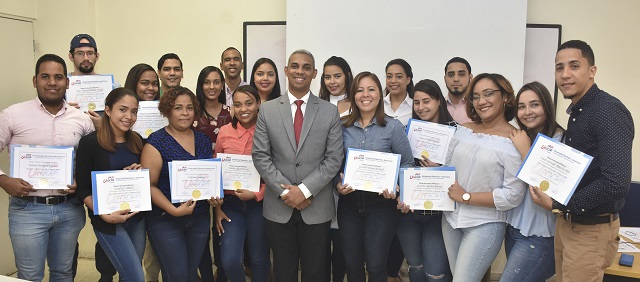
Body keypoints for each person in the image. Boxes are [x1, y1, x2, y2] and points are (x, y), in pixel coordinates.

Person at [529, 40, 634, 282]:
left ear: (592, 71)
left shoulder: (608, 111)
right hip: (568, 223)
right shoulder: (579, 112)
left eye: (574, 66)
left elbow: (615, 182)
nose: (565, 75)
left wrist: (560, 203)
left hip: (591, 230)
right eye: (559, 68)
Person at [0, 54, 94, 281]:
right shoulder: (12, 115)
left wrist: (81, 183)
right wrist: (3, 180)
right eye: (45, 76)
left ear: (67, 82)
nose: (52, 82)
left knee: (63, 273)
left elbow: (91, 160)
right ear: (35, 81)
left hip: (69, 210)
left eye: (58, 77)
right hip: (27, 210)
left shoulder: (81, 119)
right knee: (30, 276)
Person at [252, 49, 344, 282]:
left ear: (314, 73)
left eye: (306, 67)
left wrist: (303, 190)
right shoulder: (268, 109)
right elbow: (261, 155)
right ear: (286, 70)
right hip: (278, 206)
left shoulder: (329, 111)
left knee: (316, 272)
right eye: (294, 66)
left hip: (317, 206)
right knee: (283, 272)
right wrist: (287, 192)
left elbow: (333, 158)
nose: (299, 71)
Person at [440, 73, 527, 282]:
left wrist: (466, 197)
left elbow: (512, 196)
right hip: (450, 220)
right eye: (476, 96)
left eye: (488, 94)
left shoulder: (515, 139)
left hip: (484, 224)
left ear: (505, 97)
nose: (482, 101)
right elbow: (446, 169)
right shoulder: (463, 131)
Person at [336, 71, 414, 282]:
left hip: (381, 206)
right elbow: (334, 163)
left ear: (380, 95)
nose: (365, 94)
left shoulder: (393, 127)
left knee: (377, 265)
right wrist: (337, 184)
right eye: (359, 90)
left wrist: (397, 187)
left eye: (371, 89)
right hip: (349, 203)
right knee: (352, 265)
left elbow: (407, 163)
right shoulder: (341, 126)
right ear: (353, 96)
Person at [140, 86, 213, 281]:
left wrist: (216, 195)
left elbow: (210, 178)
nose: (185, 113)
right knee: (177, 275)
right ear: (167, 111)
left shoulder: (203, 140)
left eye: (189, 108)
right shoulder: (156, 142)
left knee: (190, 273)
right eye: (178, 108)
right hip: (166, 219)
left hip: (199, 219)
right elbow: (149, 186)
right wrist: (174, 210)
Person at [75, 87, 146, 281]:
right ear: (108, 110)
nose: (129, 116)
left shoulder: (138, 141)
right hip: (108, 221)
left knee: (129, 275)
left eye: (134, 111)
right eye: (122, 110)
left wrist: (138, 172)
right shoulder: (90, 143)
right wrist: (104, 214)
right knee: (136, 276)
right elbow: (82, 188)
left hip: (136, 219)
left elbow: (146, 179)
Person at [499, 81, 562, 282]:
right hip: (515, 228)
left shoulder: (560, 139)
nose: (527, 112)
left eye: (534, 105)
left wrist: (525, 149)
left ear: (547, 106)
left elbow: (546, 188)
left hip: (540, 235)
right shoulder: (521, 136)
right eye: (522, 106)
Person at [395, 79, 454, 282]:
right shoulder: (405, 131)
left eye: (426, 101)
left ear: (439, 101)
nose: (421, 107)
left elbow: (465, 172)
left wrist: (440, 170)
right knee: (416, 267)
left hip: (439, 215)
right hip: (408, 213)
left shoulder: (456, 131)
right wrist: (398, 194)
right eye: (417, 102)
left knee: (436, 273)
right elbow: (398, 168)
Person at [214, 85, 270, 282]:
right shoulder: (224, 132)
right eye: (237, 104)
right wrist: (217, 207)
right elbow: (217, 172)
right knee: (229, 260)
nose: (243, 109)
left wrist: (256, 194)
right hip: (230, 206)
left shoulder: (268, 132)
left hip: (260, 205)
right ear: (232, 107)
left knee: (259, 259)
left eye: (248, 103)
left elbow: (276, 171)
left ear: (258, 104)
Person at [192, 65, 233, 282]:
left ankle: (221, 274)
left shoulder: (231, 112)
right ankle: (205, 274)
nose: (212, 86)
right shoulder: (192, 113)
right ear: (201, 85)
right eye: (207, 82)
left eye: (217, 82)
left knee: (220, 229)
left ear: (222, 85)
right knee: (200, 233)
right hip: (197, 179)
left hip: (227, 180)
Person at [124, 63, 162, 282]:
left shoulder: (163, 110)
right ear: (134, 84)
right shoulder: (125, 113)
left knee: (154, 242)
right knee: (137, 245)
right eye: (145, 83)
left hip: (157, 184)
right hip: (133, 187)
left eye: (154, 84)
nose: (151, 88)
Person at [318, 55, 353, 282]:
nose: (333, 81)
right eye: (328, 77)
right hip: (320, 182)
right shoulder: (317, 104)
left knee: (342, 242)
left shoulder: (357, 103)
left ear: (347, 77)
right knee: (321, 242)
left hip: (346, 181)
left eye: (337, 76)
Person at [384, 58, 414, 126]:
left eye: (399, 77)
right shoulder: (378, 105)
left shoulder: (416, 107)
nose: (393, 81)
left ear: (408, 80)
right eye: (389, 76)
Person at [443, 57, 473, 124]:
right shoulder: (438, 106)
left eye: (461, 74)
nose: (456, 79)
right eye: (451, 75)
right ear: (445, 79)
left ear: (470, 78)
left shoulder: (479, 107)